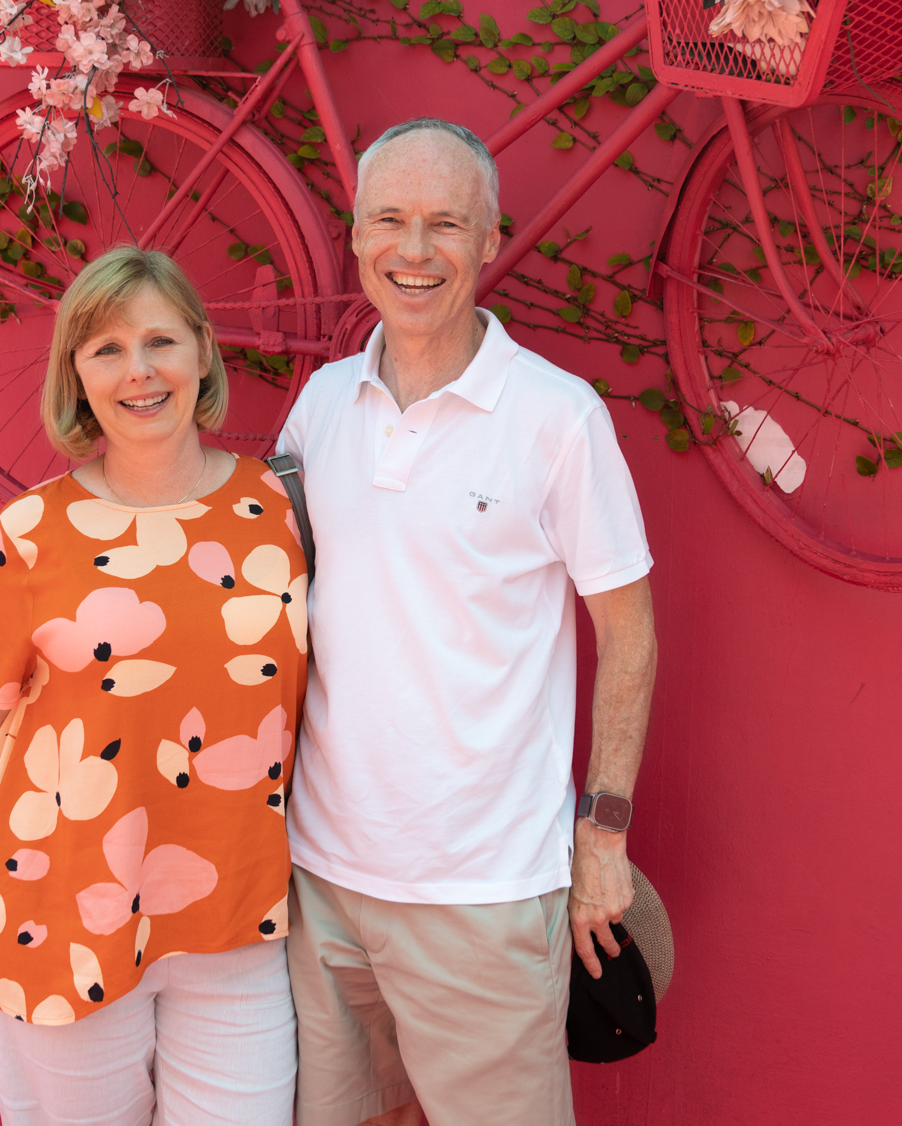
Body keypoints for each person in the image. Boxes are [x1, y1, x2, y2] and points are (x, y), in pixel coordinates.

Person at [278, 118, 659, 1126]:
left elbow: (629, 631)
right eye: (390, 221)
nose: (414, 251)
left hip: (484, 891)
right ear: (355, 235)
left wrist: (604, 833)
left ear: (491, 240)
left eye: (446, 224)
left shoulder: (556, 416)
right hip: (322, 881)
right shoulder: (318, 408)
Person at [0, 246, 308, 1126]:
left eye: (160, 341)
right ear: (77, 375)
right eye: (106, 349)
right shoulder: (25, 534)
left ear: (205, 353)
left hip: (238, 924)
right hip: (58, 916)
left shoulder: (279, 513)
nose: (139, 371)